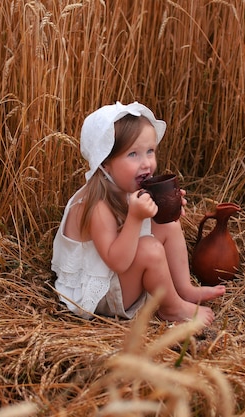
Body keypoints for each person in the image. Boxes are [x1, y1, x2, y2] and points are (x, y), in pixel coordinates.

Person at [51, 101, 225, 325]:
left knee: (167, 224)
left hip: (115, 273)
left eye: (150, 151)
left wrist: (167, 207)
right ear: (105, 163)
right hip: (100, 292)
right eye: (133, 154)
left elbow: (139, 229)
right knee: (149, 249)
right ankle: (172, 309)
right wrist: (135, 217)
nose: (146, 163)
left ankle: (183, 289)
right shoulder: (95, 205)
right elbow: (119, 262)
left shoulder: (123, 185)